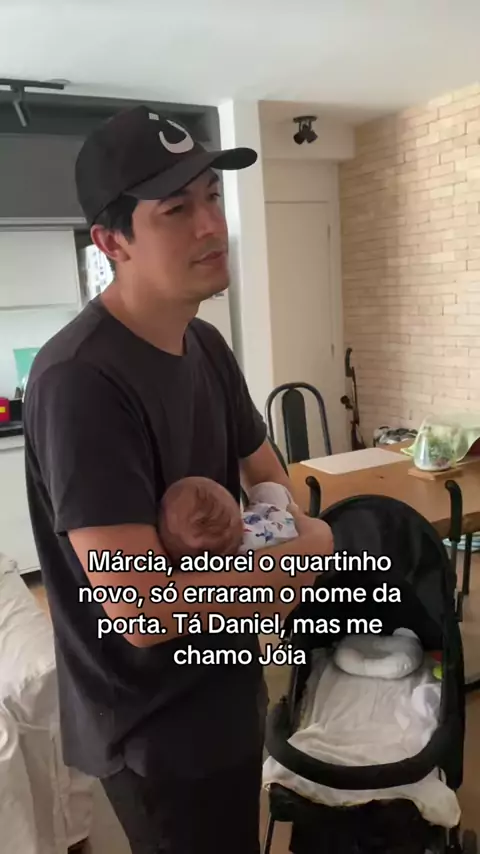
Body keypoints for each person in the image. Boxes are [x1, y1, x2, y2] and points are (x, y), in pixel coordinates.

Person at [23, 105, 333, 854]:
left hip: (226, 676)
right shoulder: (80, 381)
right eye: (176, 209)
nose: (211, 226)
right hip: (155, 726)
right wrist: (309, 550)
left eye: (212, 197)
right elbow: (142, 606)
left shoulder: (206, 344)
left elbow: (268, 474)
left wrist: (277, 522)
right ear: (111, 242)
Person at [158, 475, 298, 564]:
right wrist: (296, 514)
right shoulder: (264, 540)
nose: (212, 505)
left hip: (256, 517)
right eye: (204, 496)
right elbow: (295, 528)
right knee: (270, 490)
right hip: (277, 521)